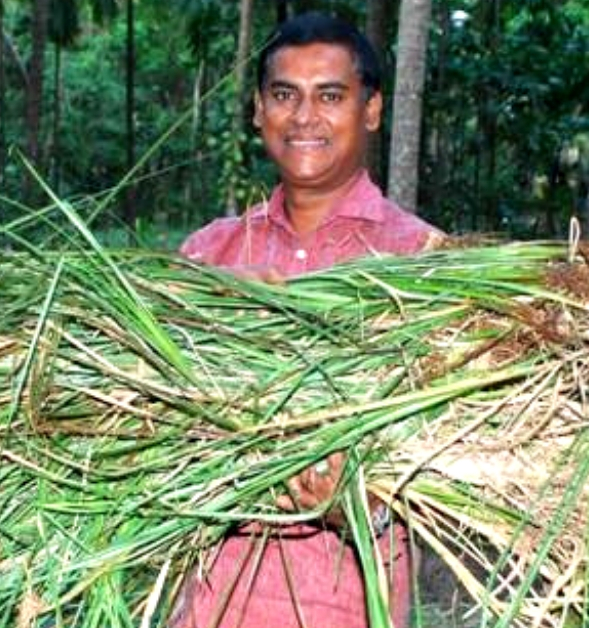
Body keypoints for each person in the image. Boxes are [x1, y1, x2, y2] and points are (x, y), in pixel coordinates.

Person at [174, 12, 441, 628]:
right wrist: (208, 305)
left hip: (347, 611)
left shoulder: (424, 262)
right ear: (258, 111)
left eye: (330, 96)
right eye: (284, 95)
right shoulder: (206, 258)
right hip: (211, 611)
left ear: (371, 110)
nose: (304, 117)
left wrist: (354, 507)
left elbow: (447, 478)